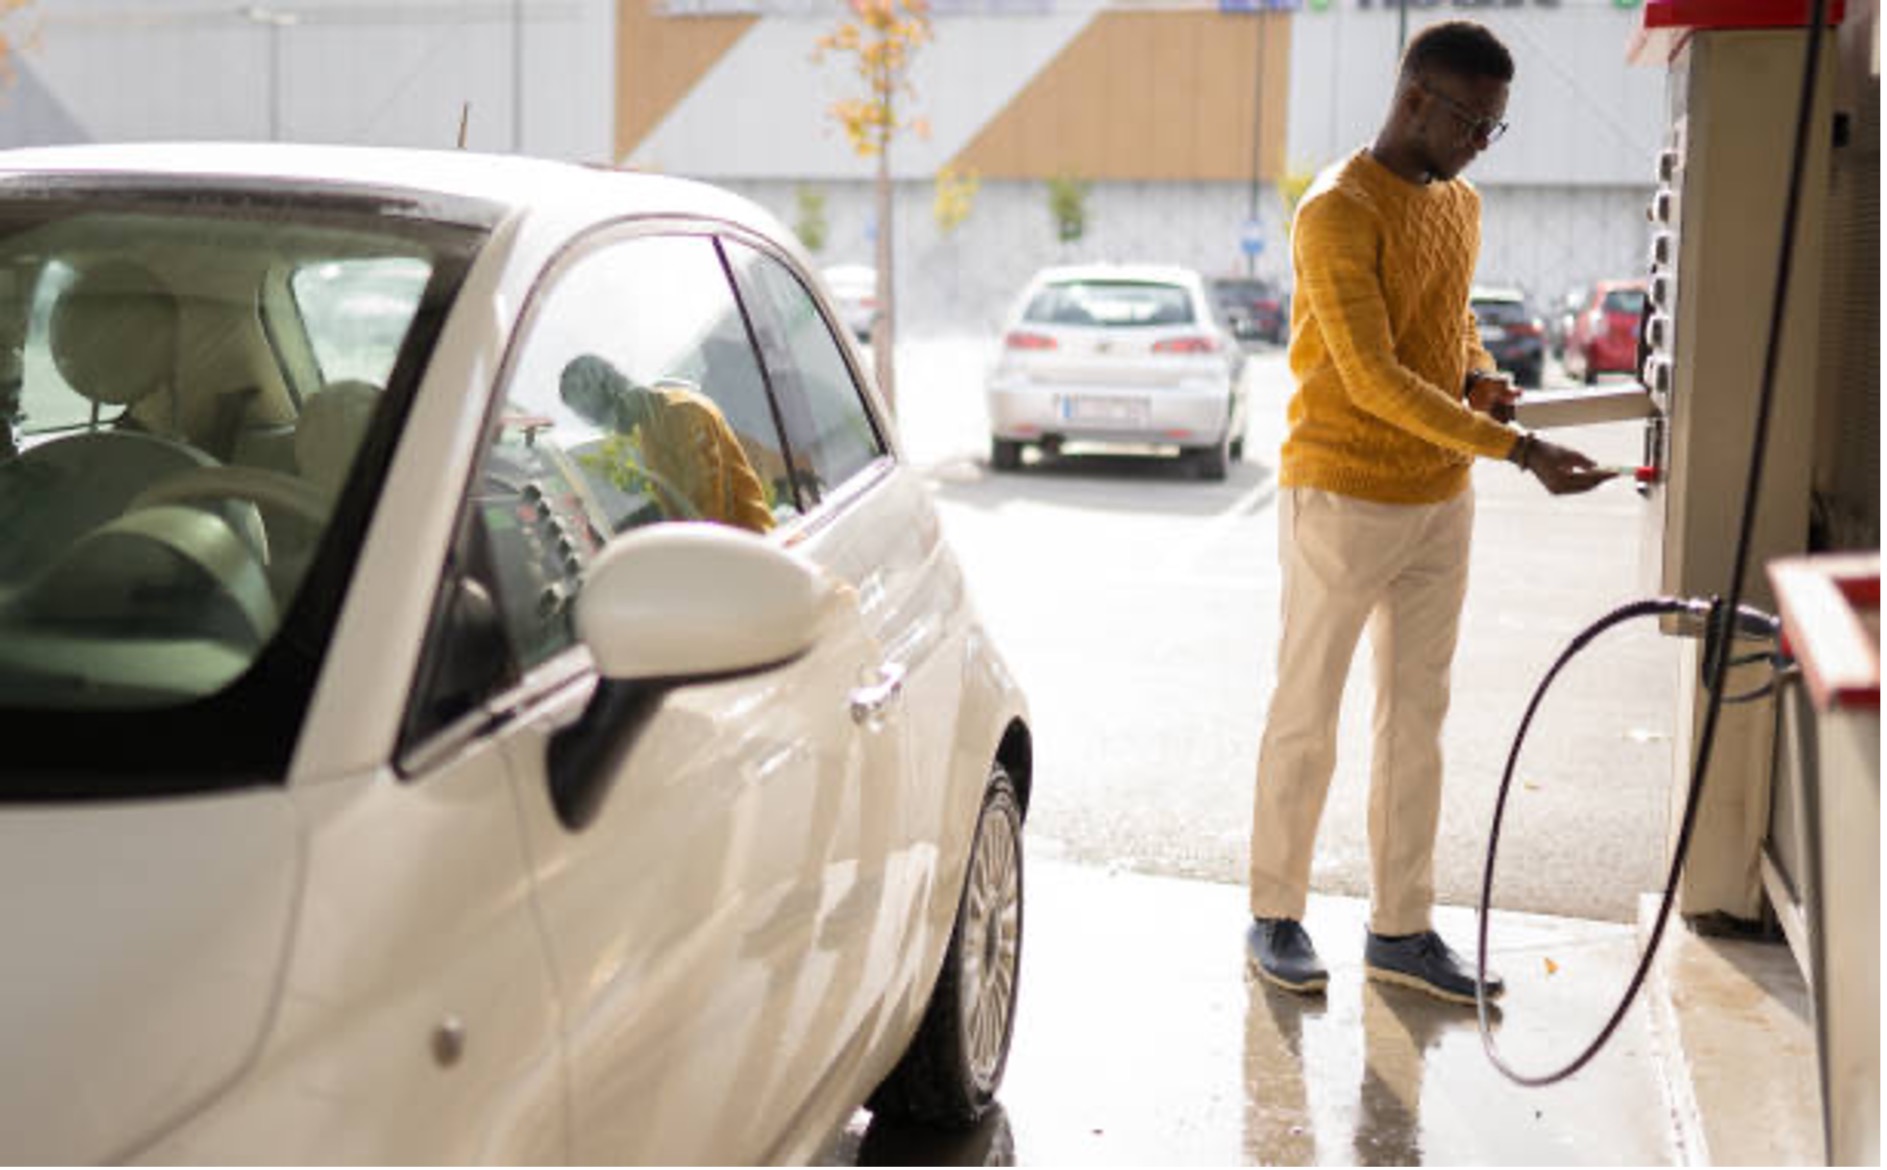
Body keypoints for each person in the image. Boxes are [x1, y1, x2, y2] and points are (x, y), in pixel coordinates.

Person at [1246, 20, 1613, 1005]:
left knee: (1418, 723)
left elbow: (1445, 330)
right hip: (1339, 492)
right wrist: (1520, 450)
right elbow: (1368, 376)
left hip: (1436, 503)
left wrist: (1485, 381)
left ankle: (1400, 930)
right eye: (1474, 122)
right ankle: (1274, 913)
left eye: (1495, 126)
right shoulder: (1334, 211)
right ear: (1415, 101)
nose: (1482, 142)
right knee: (1306, 716)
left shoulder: (1461, 203)